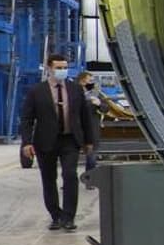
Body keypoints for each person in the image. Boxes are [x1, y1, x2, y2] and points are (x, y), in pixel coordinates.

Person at [21, 53, 97, 232]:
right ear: (49, 68)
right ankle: (56, 216)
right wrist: (27, 142)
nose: (62, 71)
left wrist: (89, 141)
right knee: (49, 179)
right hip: (45, 141)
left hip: (69, 140)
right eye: (58, 68)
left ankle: (69, 217)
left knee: (70, 175)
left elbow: (85, 116)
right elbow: (27, 119)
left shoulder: (75, 89)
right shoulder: (36, 91)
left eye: (64, 68)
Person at [76, 72, 104, 190]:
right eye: (89, 80)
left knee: (91, 157)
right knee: (70, 158)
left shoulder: (96, 94)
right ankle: (69, 182)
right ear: (82, 81)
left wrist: (99, 103)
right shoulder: (73, 92)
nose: (91, 82)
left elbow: (106, 108)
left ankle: (90, 181)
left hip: (92, 129)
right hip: (77, 129)